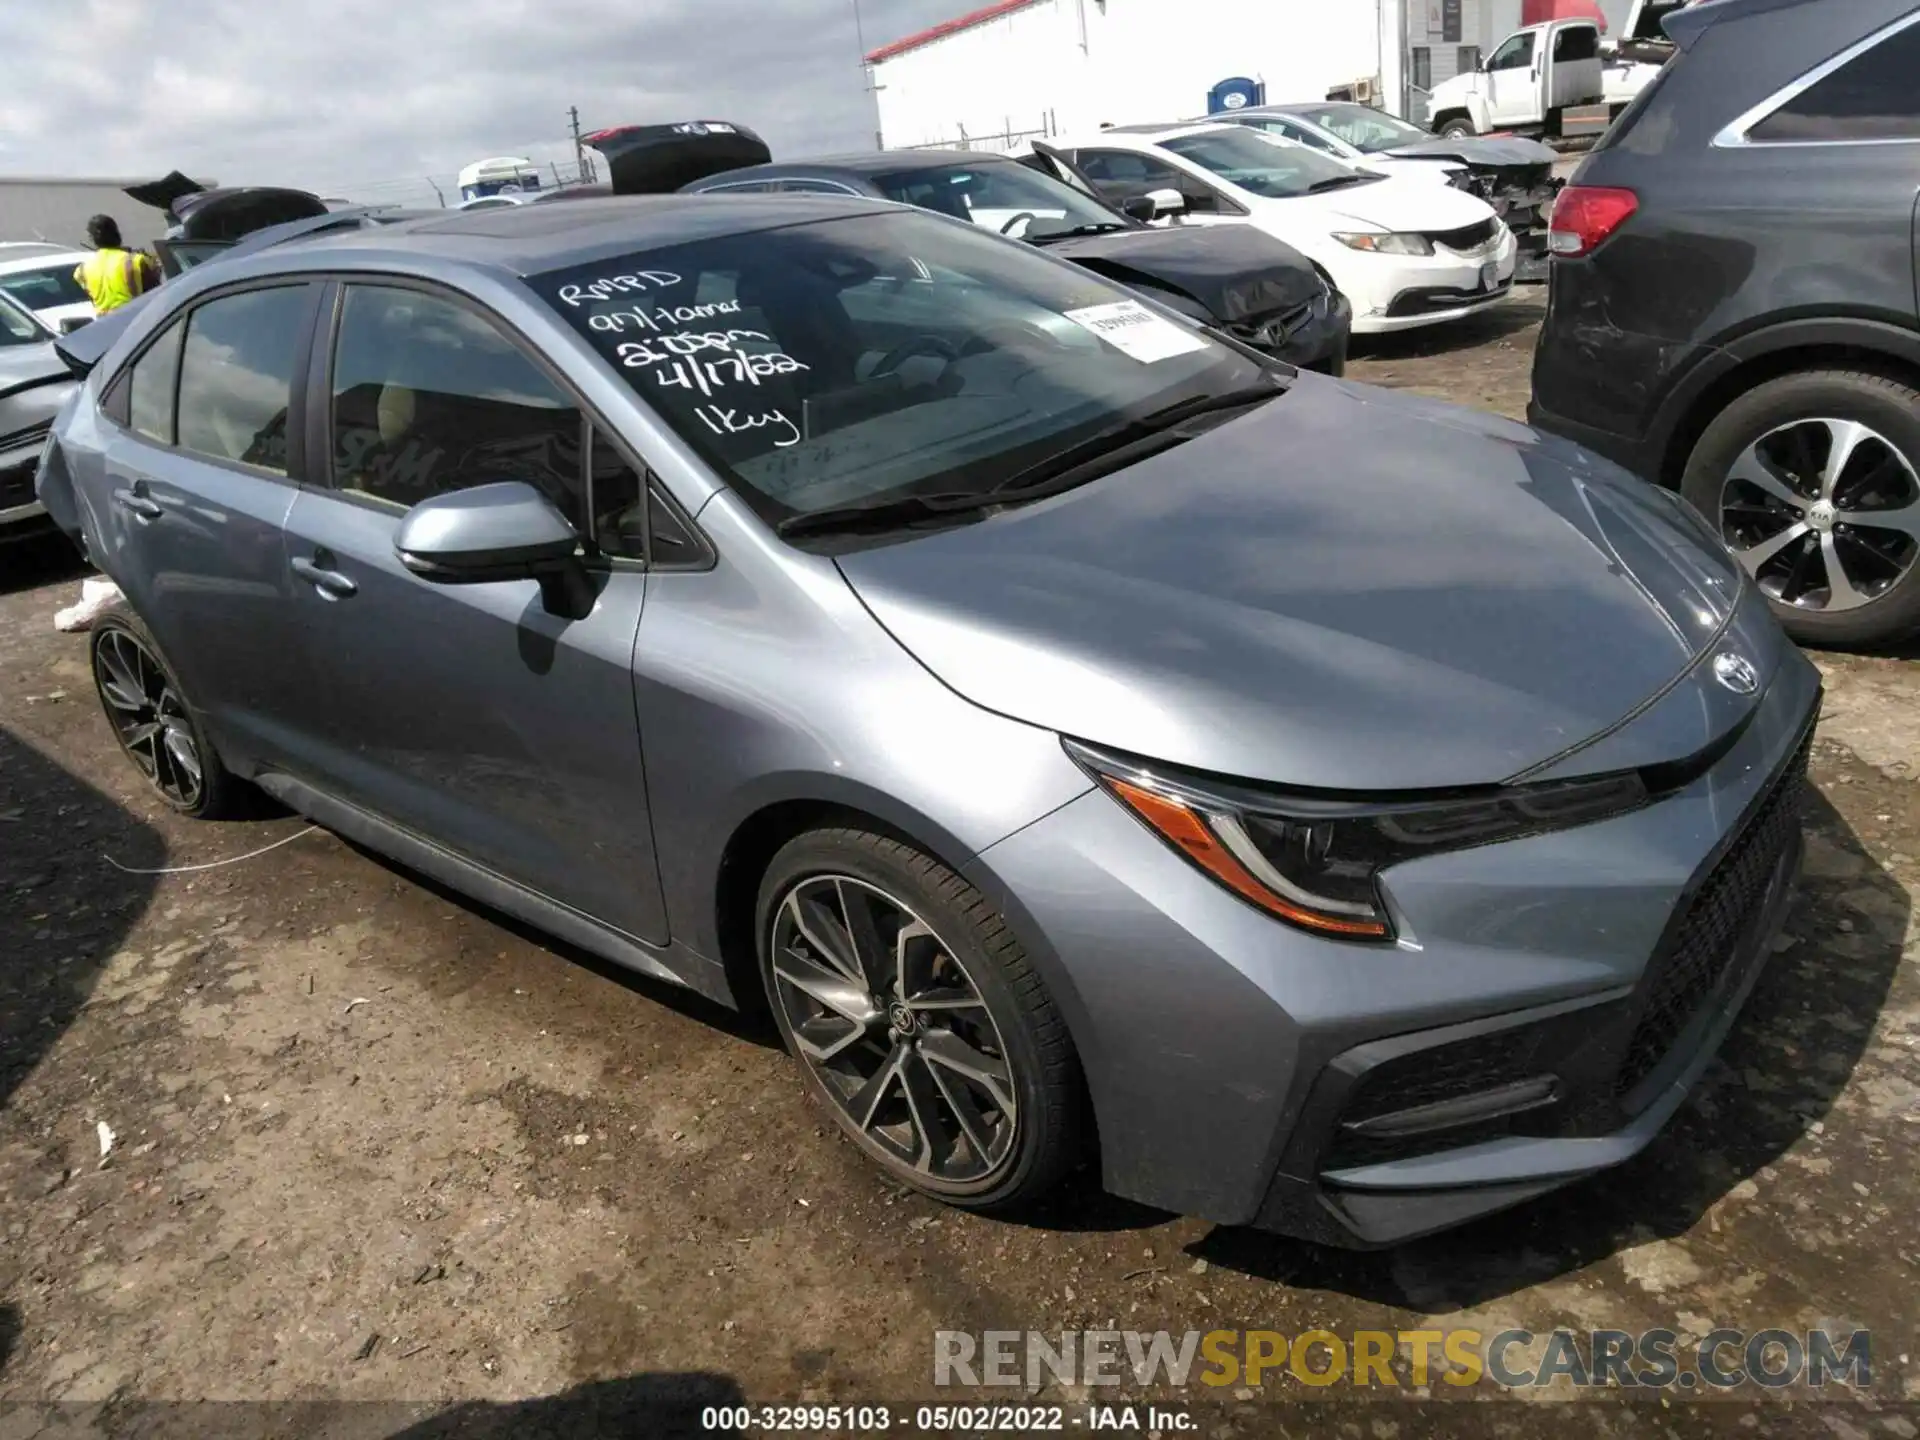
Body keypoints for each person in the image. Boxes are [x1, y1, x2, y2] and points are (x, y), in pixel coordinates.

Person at [72, 214, 159, 315]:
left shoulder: (82, 270)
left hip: (105, 323)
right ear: (117, 233)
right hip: (135, 318)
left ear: (91, 238)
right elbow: (157, 294)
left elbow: (91, 297)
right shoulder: (135, 260)